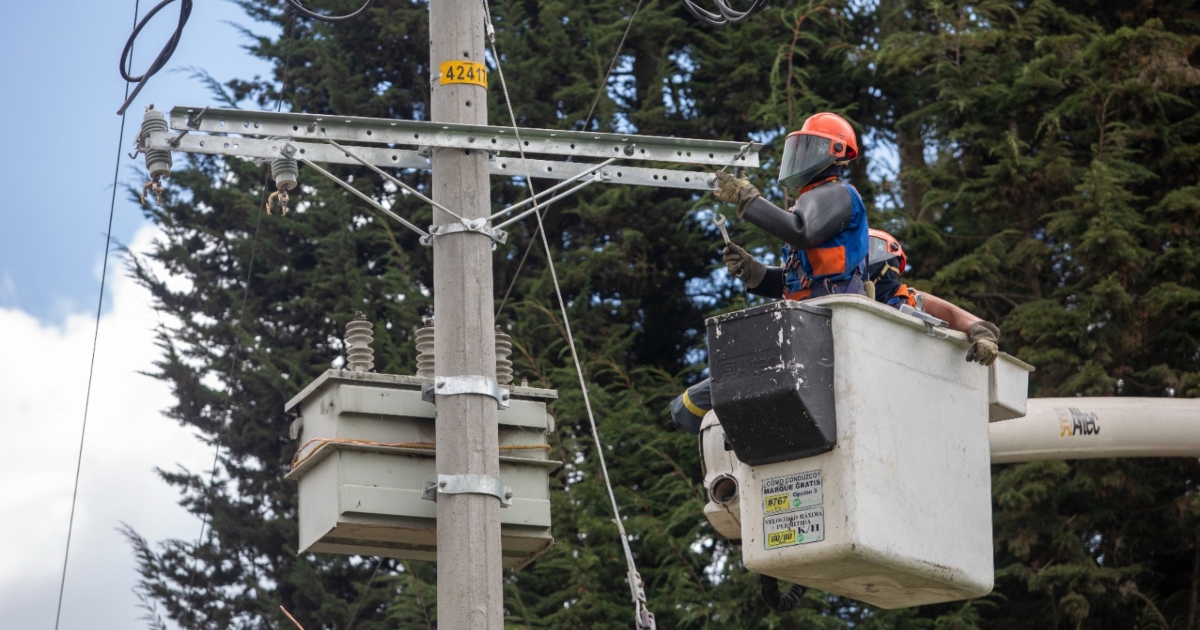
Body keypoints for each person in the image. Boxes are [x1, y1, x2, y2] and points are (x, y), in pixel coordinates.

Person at [672, 112, 869, 433]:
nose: (801, 156)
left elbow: (800, 231)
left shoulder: (838, 193)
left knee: (691, 406)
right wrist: (756, 273)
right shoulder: (814, 202)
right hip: (807, 326)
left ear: (836, 152)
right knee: (688, 408)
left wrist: (748, 200)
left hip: (828, 327)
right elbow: (800, 282)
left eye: (811, 148)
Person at [865, 228, 1001, 366]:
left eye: (870, 252)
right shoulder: (854, 295)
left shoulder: (909, 299)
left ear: (891, 262)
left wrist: (985, 336)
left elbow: (960, 318)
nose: (863, 260)